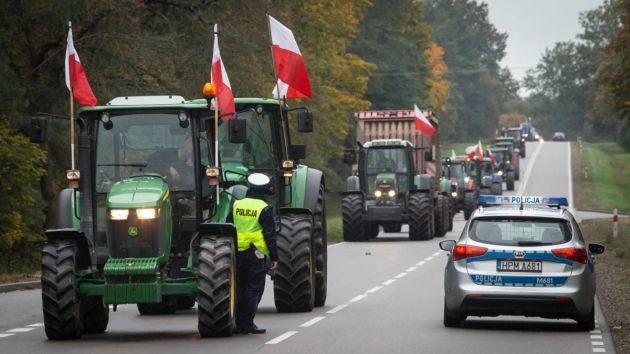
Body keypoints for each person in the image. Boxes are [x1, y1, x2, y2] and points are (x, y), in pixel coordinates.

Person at [228, 173, 278, 335]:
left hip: (235, 253)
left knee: (238, 287)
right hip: (255, 254)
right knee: (254, 289)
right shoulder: (264, 208)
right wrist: (275, 257)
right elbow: (270, 236)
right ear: (264, 190)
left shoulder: (236, 204)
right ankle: (247, 324)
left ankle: (237, 322)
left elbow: (229, 225)